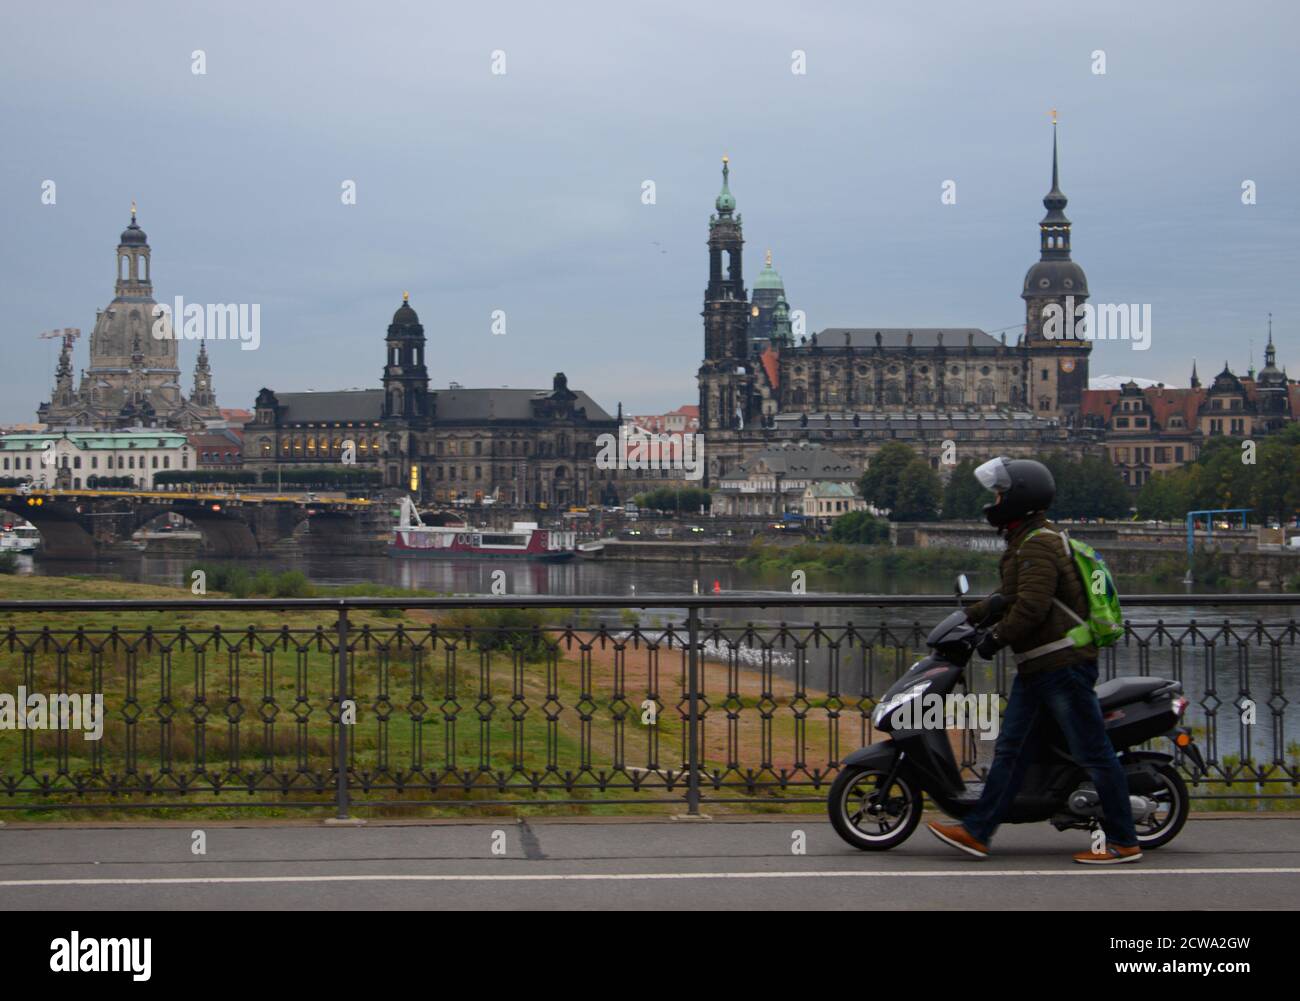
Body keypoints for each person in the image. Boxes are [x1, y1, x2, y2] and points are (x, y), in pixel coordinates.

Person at [927, 456, 1141, 864]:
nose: (995, 500)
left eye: (1001, 493)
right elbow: (1008, 596)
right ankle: (977, 832)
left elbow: (1031, 607)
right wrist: (968, 616)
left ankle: (1124, 841)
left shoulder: (1039, 544)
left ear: (1020, 497)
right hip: (1042, 666)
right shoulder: (1028, 540)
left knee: (1092, 752)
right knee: (1011, 751)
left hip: (1063, 667)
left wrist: (994, 639)